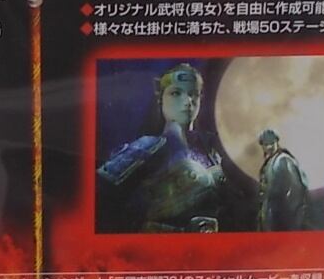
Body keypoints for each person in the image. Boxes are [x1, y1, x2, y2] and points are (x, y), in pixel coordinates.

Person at [96, 63, 236, 234]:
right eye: (176, 93)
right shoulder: (147, 146)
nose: (187, 101)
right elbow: (101, 195)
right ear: (161, 98)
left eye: (193, 94)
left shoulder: (212, 151)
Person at [256, 129, 310, 231]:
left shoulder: (283, 160)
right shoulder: (270, 161)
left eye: (272, 143)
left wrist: (285, 214)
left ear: (277, 142)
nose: (269, 147)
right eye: (266, 144)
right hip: (271, 215)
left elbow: (295, 190)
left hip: (283, 218)